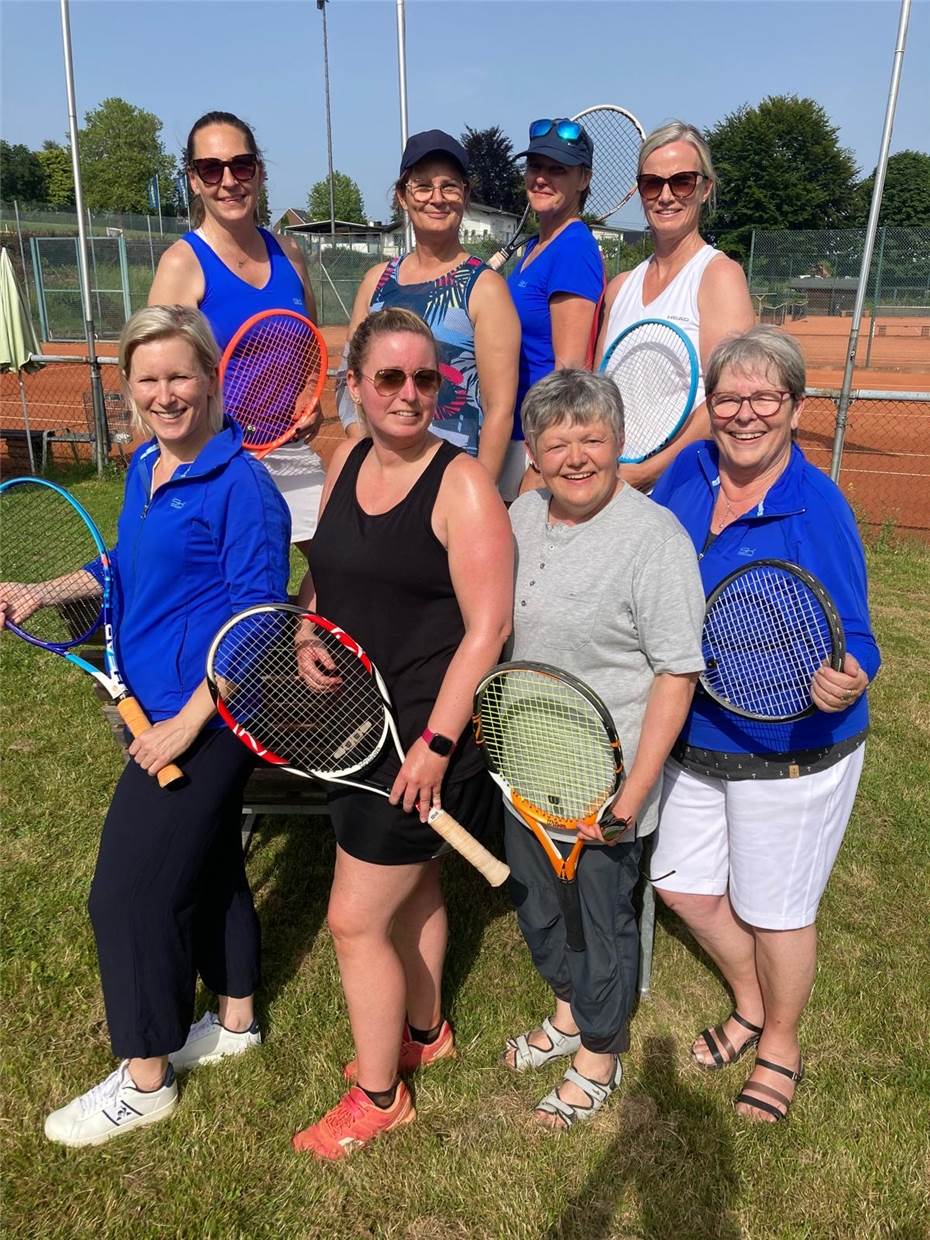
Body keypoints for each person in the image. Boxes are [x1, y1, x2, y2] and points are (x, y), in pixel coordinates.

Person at [0, 306, 291, 1147]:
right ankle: (235, 1023)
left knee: (125, 895)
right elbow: (117, 566)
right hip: (155, 706)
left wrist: (185, 724)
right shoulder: (146, 467)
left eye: (179, 376)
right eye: (148, 380)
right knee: (208, 868)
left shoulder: (244, 490)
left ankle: (145, 1077)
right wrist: (40, 594)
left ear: (210, 378)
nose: (165, 394)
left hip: (210, 720)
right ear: (129, 388)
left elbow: (260, 620)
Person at [291, 307, 513, 1159]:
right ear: (356, 386)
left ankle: (380, 1098)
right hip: (355, 728)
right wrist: (311, 628)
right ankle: (427, 1028)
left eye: (426, 378)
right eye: (389, 377)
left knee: (353, 921)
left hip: (424, 738)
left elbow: (487, 631)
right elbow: (331, 572)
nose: (410, 393)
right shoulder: (345, 461)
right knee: (416, 888)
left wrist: (437, 747)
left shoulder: (462, 485)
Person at [650, 326, 880, 1123]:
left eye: (763, 398)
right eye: (728, 398)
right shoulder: (688, 469)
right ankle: (751, 1000)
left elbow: (861, 636)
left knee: (778, 908)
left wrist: (847, 679)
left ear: (794, 405)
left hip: (793, 746)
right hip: (697, 729)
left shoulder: (817, 507)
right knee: (681, 885)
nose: (744, 414)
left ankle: (780, 1041)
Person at [502, 368, 706, 1129]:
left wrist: (630, 796)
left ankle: (600, 1052)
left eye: (593, 438)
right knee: (538, 909)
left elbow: (675, 674)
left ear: (621, 441)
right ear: (535, 451)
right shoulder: (521, 516)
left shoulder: (654, 539)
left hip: (605, 786)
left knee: (601, 924)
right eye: (558, 442)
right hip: (523, 771)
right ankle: (566, 1014)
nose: (576, 456)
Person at [149, 110, 324, 561]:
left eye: (241, 165)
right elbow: (155, 377)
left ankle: (304, 636)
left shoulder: (290, 253)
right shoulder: (180, 264)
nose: (228, 180)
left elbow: (306, 343)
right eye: (211, 168)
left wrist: (309, 400)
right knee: (232, 586)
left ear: (259, 172)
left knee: (338, 565)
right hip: (214, 458)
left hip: (287, 449)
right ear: (193, 180)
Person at [337, 129, 519, 485]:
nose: (437, 198)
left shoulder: (486, 290)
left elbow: (499, 411)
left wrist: (475, 497)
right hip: (379, 480)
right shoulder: (376, 281)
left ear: (464, 196)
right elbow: (350, 379)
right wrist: (365, 456)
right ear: (403, 196)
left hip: (448, 484)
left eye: (449, 186)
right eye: (422, 186)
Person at [596, 120, 755, 492]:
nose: (666, 195)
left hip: (684, 488)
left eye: (681, 181)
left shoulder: (719, 277)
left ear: (704, 188)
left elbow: (727, 398)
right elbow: (600, 392)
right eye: (652, 183)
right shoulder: (620, 288)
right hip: (615, 487)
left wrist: (646, 473)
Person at [504, 118, 605, 501]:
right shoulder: (534, 247)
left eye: (557, 170)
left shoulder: (573, 249)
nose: (542, 178)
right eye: (536, 167)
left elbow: (569, 372)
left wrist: (539, 463)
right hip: (514, 431)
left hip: (536, 444)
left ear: (583, 179)